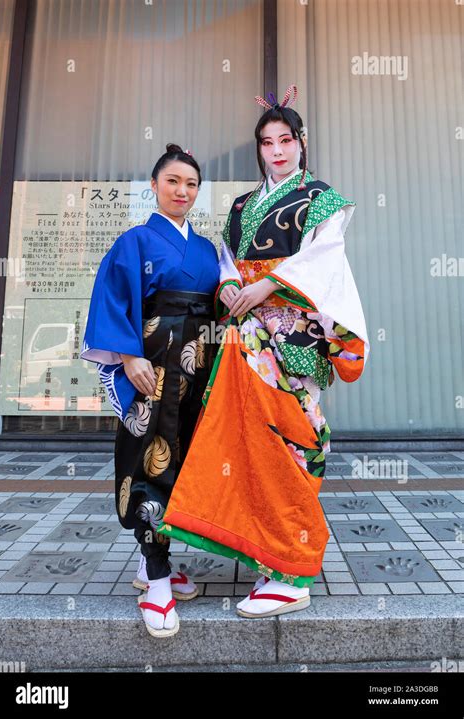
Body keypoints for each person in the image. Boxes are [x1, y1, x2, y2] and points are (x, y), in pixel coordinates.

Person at [156, 85, 370, 618]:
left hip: (294, 335)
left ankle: (292, 569)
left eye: (285, 140)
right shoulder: (242, 206)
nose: (276, 150)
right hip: (246, 333)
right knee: (248, 439)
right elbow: (229, 260)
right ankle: (266, 552)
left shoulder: (321, 198)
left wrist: (267, 287)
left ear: (301, 143)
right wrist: (231, 285)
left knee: (294, 439)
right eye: (266, 142)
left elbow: (324, 259)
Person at [80, 144, 220, 637]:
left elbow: (221, 306)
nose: (182, 191)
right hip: (152, 371)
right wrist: (128, 355)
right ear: (155, 186)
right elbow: (113, 300)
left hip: (196, 369)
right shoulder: (135, 241)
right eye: (173, 182)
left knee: (184, 463)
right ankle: (157, 580)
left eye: (191, 185)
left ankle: (149, 563)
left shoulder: (206, 249)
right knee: (149, 460)